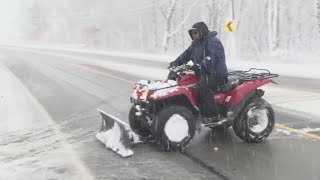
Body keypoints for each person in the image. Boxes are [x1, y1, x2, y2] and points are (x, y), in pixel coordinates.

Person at [169, 22, 228, 122]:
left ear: (202, 31)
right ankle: (196, 110)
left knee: (202, 86)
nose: (194, 35)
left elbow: (212, 58)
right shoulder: (196, 44)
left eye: (195, 32)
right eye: (192, 33)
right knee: (186, 83)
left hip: (216, 74)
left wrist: (199, 65)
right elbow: (185, 55)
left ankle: (214, 115)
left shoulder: (213, 41)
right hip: (203, 73)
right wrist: (175, 62)